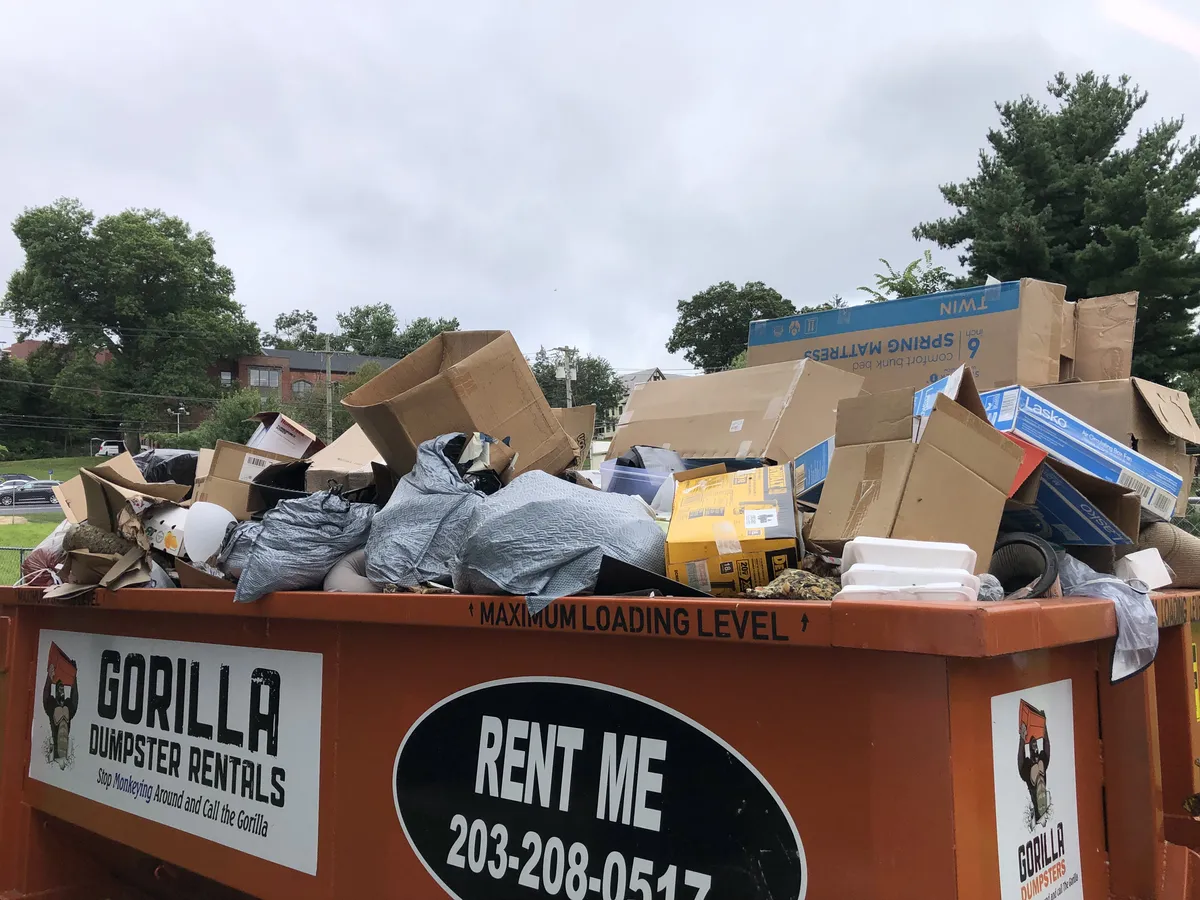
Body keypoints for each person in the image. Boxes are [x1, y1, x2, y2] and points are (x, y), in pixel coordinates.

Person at [43, 661, 79, 762]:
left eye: (62, 690)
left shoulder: (62, 709)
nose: (61, 692)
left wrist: (73, 677)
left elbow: (46, 695)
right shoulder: (67, 710)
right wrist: (73, 677)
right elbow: (75, 695)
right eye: (60, 690)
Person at [1018, 720, 1051, 824]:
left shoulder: (1041, 763)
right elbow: (1021, 760)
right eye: (1033, 745)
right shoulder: (1029, 769)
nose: (1035, 747)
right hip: (1037, 799)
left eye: (1036, 745)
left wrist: (1044, 729)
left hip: (1041, 799)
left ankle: (1041, 816)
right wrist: (1022, 738)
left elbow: (1047, 748)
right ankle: (1039, 817)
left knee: (1039, 769)